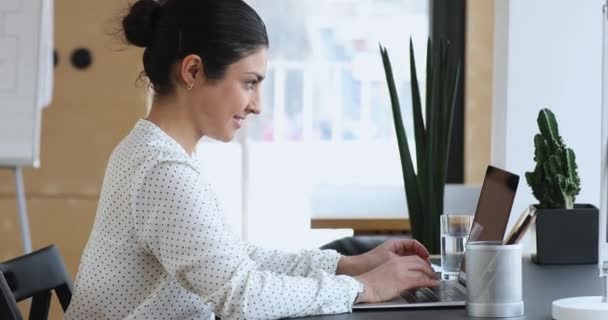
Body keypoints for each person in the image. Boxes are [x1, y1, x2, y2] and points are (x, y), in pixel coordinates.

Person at [64, 0, 439, 319]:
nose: (257, 105)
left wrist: (347, 265)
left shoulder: (155, 151)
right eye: (249, 83)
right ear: (192, 71)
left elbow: (230, 258)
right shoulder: (162, 169)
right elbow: (240, 297)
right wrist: (361, 288)